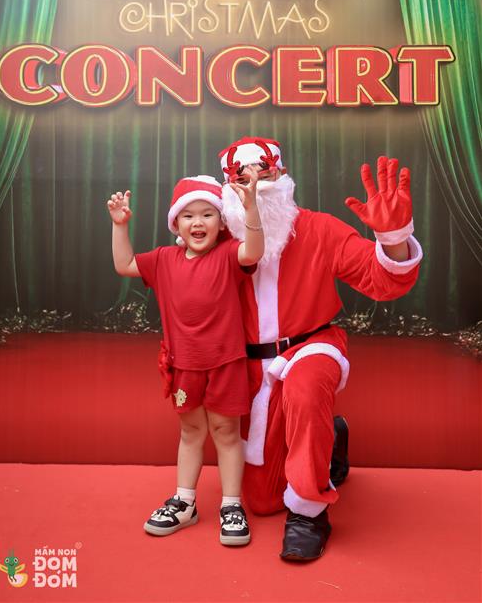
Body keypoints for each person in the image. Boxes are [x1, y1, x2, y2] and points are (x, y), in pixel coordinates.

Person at [218, 137, 423, 562]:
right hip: (251, 366)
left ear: (283, 176)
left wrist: (394, 238)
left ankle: (309, 515)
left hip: (310, 347)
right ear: (228, 188)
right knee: (262, 501)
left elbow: (384, 281)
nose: (255, 187)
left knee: (306, 389)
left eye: (265, 175)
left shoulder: (318, 229)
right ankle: (330, 439)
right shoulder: (220, 240)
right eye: (243, 179)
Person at [107, 173, 263, 546]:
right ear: (175, 223)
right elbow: (124, 264)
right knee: (191, 432)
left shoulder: (229, 254)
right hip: (184, 366)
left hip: (226, 364)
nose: (198, 222)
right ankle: (185, 502)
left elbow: (254, 251)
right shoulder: (164, 259)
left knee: (226, 432)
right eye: (188, 215)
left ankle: (231, 504)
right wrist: (120, 225)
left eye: (207, 214)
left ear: (221, 222)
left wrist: (251, 208)